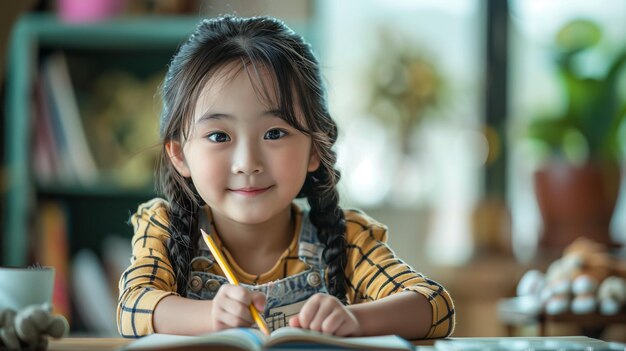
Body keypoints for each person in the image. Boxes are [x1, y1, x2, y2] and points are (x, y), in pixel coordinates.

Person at [117, 15, 455, 339]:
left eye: (275, 133)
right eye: (219, 136)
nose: (247, 163)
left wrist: (353, 318)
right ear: (179, 154)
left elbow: (436, 306)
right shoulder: (163, 227)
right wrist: (209, 317)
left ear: (313, 150)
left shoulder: (346, 237)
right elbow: (131, 309)